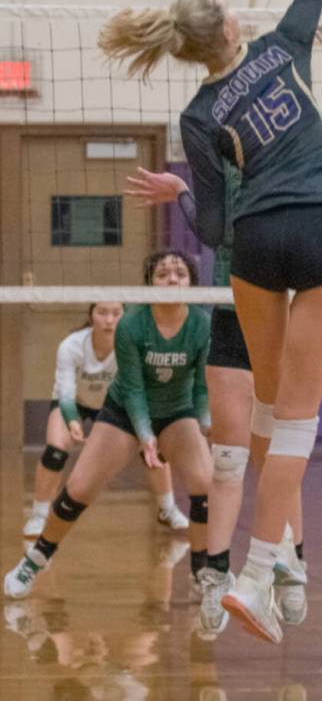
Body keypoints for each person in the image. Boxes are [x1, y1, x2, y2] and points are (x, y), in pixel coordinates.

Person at [97, 0, 322, 644]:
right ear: (233, 23)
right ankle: (260, 564)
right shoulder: (284, 48)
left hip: (255, 245)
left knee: (278, 415)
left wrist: (188, 189)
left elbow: (210, 233)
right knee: (299, 422)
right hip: (320, 223)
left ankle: (275, 560)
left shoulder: (198, 118)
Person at [126, 23, 322, 639]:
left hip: (283, 292)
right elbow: (213, 228)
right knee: (231, 458)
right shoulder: (217, 161)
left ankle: (290, 565)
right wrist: (181, 195)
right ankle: (216, 576)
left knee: (277, 440)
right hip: (236, 305)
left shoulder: (284, 157)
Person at [4, 251, 212, 600]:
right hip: (124, 413)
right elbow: (131, 388)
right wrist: (146, 437)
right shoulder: (132, 324)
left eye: (180, 273)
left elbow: (202, 387)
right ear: (149, 285)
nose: (172, 279)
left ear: (191, 282)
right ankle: (36, 558)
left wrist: (206, 424)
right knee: (79, 489)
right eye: (162, 274)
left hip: (178, 412)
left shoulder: (201, 324)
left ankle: (201, 571)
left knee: (207, 487)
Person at [21, 302, 191, 538]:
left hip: (116, 404)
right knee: (56, 452)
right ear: (91, 315)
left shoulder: (133, 344)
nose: (109, 320)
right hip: (75, 403)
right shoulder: (71, 346)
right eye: (102, 313)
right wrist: (72, 422)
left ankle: (167, 509)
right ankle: (39, 514)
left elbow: (138, 390)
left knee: (153, 450)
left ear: (125, 316)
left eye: (116, 313)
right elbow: (65, 393)